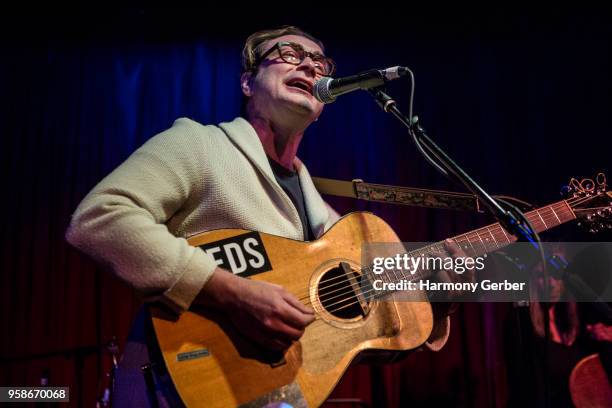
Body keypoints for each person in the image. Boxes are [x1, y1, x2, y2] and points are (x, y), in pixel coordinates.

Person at [66, 25, 452, 407]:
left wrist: (450, 289)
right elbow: (100, 218)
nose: (309, 67)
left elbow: (384, 329)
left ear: (321, 109)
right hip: (175, 384)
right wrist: (234, 294)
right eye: (288, 54)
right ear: (247, 83)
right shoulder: (199, 144)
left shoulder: (328, 220)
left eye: (319, 61)